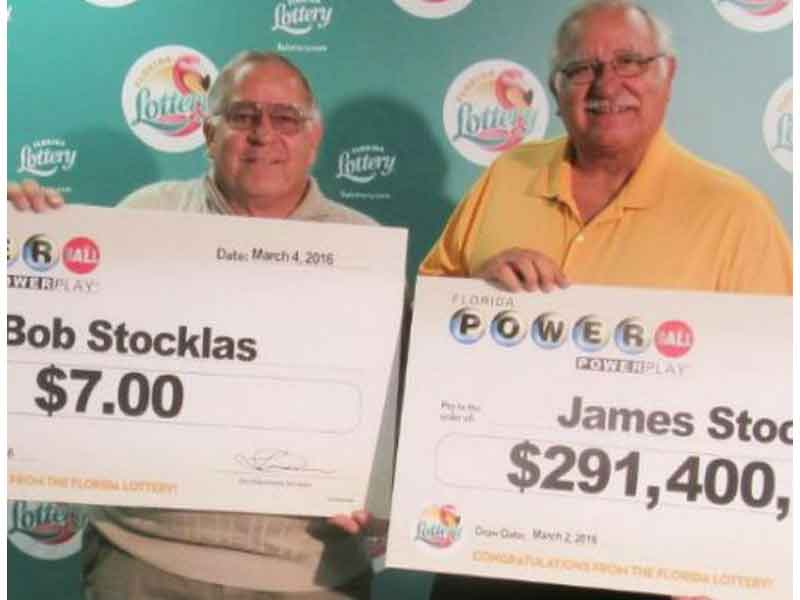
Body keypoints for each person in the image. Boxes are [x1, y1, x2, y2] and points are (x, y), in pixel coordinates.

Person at [420, 1, 791, 599]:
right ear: (554, 88)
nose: (606, 84)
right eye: (581, 69)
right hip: (489, 540)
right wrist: (475, 294)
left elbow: (773, 395)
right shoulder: (506, 176)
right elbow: (425, 321)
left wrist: (727, 551)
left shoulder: (734, 213)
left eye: (629, 62)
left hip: (645, 556)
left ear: (667, 74)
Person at [9, 51, 378, 600]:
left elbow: (394, 413)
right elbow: (56, 345)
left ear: (313, 137)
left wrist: (378, 487)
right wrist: (22, 243)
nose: (264, 135)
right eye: (243, 116)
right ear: (208, 134)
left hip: (308, 573)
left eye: (285, 119)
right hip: (144, 558)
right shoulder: (142, 218)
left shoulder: (365, 248)